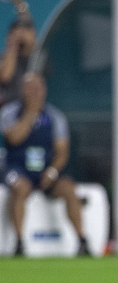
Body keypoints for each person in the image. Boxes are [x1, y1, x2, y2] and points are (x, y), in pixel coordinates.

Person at [1, 73, 89, 257]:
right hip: (19, 168)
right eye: (31, 89)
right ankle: (19, 242)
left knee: (68, 189)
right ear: (22, 91)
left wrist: (51, 172)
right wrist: (30, 115)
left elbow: (62, 152)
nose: (35, 93)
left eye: (39, 88)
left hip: (45, 169)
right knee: (20, 188)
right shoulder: (10, 113)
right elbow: (14, 138)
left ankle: (82, 240)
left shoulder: (55, 117)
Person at [0, 14, 36, 108]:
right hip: (8, 109)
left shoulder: (39, 58)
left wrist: (29, 43)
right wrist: (13, 44)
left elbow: (39, 72)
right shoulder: (4, 58)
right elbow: (5, 76)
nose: (22, 35)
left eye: (26, 31)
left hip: (34, 109)